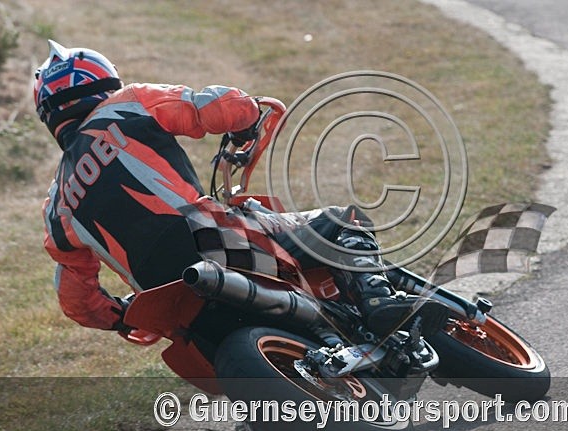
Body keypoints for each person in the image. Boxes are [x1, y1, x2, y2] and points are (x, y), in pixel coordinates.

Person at [34, 40, 443, 344]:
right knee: (342, 220)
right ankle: (378, 303)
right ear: (105, 81)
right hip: (210, 239)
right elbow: (213, 104)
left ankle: (261, 416)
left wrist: (119, 317)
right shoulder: (127, 105)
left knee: (199, 349)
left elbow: (76, 298)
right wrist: (245, 118)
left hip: (162, 295)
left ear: (49, 115)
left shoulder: (56, 206)